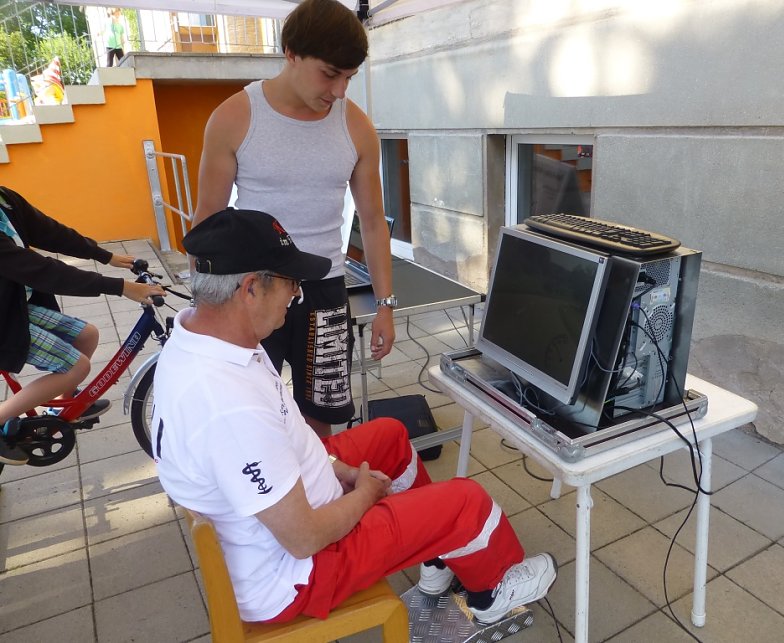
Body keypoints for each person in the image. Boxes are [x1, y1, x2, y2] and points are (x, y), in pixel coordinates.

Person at [153, 208, 558, 625]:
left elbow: (289, 441)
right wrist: (364, 495)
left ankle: (436, 554)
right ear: (251, 288)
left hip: (281, 521)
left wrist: (338, 468)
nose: (296, 295)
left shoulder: (208, 337)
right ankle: (493, 593)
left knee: (390, 436)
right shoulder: (228, 403)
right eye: (291, 282)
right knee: (467, 502)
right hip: (298, 574)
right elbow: (303, 538)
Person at [193, 0, 394, 438]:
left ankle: (320, 480)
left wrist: (385, 306)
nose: (339, 90)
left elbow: (373, 222)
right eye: (330, 74)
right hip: (253, 287)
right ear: (291, 53)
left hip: (324, 287)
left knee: (321, 414)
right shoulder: (234, 117)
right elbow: (207, 220)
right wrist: (205, 306)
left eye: (349, 77)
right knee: (248, 411)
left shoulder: (357, 127)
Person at [0, 186, 165, 465]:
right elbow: (40, 270)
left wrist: (103, 255)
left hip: (14, 305)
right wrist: (120, 287)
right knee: (76, 367)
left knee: (87, 335)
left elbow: (49, 231)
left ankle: (65, 408)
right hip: (4, 318)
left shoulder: (5, 198)